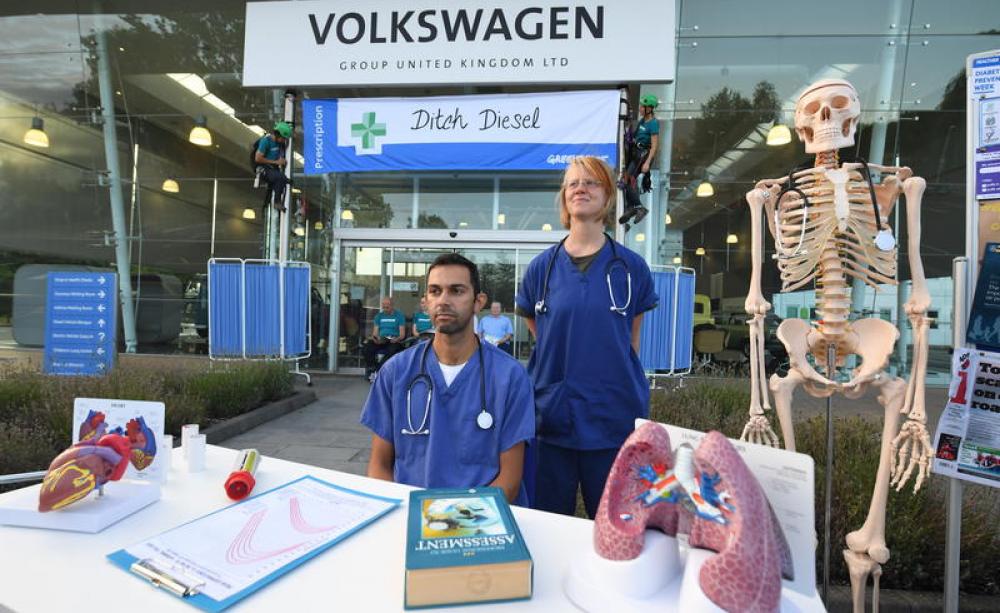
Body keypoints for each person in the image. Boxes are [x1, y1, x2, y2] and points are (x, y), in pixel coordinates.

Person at [515, 156, 658, 518]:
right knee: (549, 522)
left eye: (591, 182)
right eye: (573, 183)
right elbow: (542, 334)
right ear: (564, 197)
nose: (580, 188)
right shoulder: (541, 269)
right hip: (552, 421)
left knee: (615, 527)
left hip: (613, 420)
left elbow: (630, 339)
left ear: (608, 197)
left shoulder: (631, 267)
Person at [361, 253, 535, 504]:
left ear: (478, 301)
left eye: (456, 291)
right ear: (425, 302)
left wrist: (454, 524)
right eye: (435, 291)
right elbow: (378, 466)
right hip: (410, 516)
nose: (443, 300)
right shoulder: (396, 372)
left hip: (483, 520)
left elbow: (509, 482)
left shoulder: (510, 376)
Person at [620, 94, 660, 227]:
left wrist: (647, 162)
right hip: (636, 153)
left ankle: (639, 207)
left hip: (643, 155)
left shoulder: (653, 123)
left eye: (643, 106)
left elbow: (654, 146)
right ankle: (632, 207)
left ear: (650, 108)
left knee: (628, 179)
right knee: (626, 180)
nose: (641, 108)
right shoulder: (643, 120)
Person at [362, 296, 406, 381]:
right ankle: (372, 368)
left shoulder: (399, 316)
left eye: (387, 307)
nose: (385, 309)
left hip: (393, 341)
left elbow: (402, 334)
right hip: (381, 340)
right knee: (367, 348)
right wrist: (376, 338)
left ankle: (379, 370)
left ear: (392, 305)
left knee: (392, 351)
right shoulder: (379, 316)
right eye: (383, 307)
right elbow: (375, 332)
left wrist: (396, 339)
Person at [254, 121, 292, 211]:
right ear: (278, 135)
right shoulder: (265, 141)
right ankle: (277, 202)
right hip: (264, 168)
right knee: (280, 177)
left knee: (285, 180)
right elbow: (258, 158)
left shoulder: (279, 143)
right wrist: (276, 162)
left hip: (272, 168)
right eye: (283, 138)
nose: (284, 140)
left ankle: (274, 201)